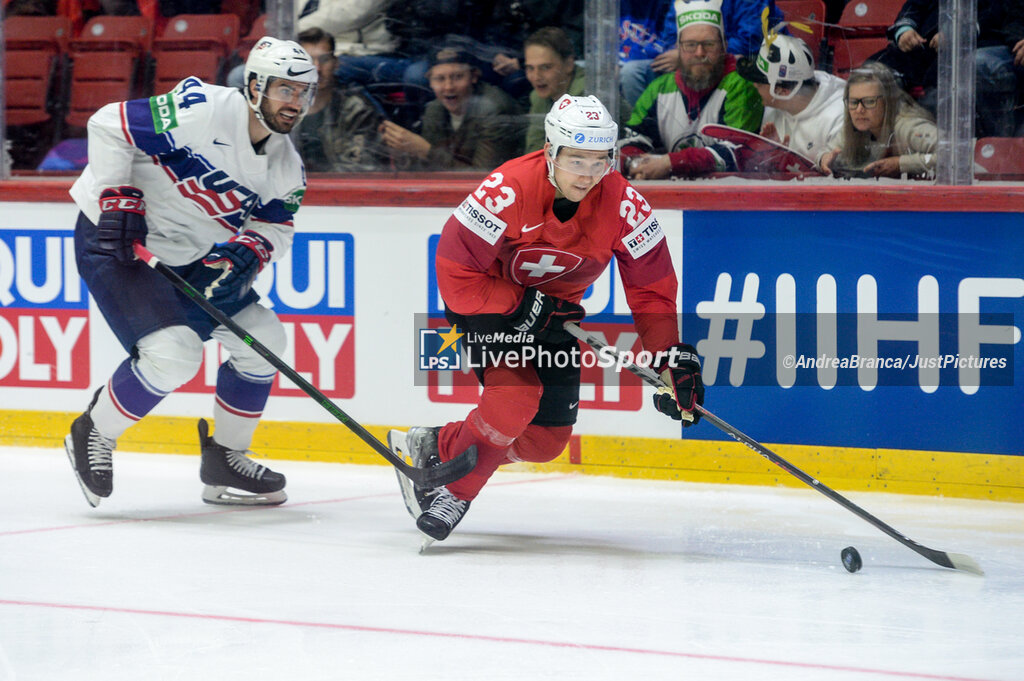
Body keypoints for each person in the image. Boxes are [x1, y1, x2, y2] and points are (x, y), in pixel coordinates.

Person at [394, 94, 706, 542]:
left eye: (600, 161)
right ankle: (456, 492)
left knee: (545, 441)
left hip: (555, 318)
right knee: (515, 399)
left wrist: (667, 360)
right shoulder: (507, 188)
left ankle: (439, 445)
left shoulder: (625, 205)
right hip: (489, 306)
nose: (588, 174)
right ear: (550, 151)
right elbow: (455, 273)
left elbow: (651, 288)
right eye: (576, 159)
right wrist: (522, 306)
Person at [64, 37, 317, 508]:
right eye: (286, 90)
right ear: (256, 86)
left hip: (188, 256)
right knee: (174, 355)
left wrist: (250, 249)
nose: (295, 103)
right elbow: (107, 123)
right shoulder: (203, 109)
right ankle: (94, 431)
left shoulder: (285, 167)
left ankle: (225, 456)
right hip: (119, 240)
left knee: (264, 340)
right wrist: (119, 194)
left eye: (304, 92)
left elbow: (276, 226)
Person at [620, 0, 764, 180]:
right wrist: (634, 163)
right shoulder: (659, 88)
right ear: (677, 49)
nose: (699, 53)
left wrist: (671, 163)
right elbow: (632, 140)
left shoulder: (741, 86)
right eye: (690, 45)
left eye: (709, 44)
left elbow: (736, 152)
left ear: (724, 47)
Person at [378, 46, 521, 171]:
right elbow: (432, 168)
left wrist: (425, 151)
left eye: (457, 77)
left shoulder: (494, 109)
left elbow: (484, 179)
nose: (448, 87)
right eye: (440, 79)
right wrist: (402, 150)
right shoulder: (435, 109)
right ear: (430, 82)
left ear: (474, 77)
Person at [620, 0, 784, 108]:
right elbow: (670, 37)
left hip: (743, 62)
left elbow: (749, 41)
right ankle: (650, 133)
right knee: (633, 72)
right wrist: (682, 52)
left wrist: (696, 52)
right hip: (692, 58)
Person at [736, 32, 845, 171]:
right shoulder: (774, 105)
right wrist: (771, 162)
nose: (754, 85)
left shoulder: (839, 117)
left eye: (760, 83)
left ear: (783, 91)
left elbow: (837, 177)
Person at [293, 26, 388, 172]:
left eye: (324, 60)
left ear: (336, 63)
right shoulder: (279, 106)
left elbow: (359, 169)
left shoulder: (356, 108)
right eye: (307, 60)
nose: (316, 68)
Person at [820, 62, 937, 179]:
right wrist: (823, 159)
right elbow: (828, 152)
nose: (859, 110)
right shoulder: (856, 128)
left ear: (888, 102)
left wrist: (901, 164)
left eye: (869, 101)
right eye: (853, 102)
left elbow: (951, 155)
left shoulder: (909, 127)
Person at [522, 27, 586, 153]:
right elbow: (533, 152)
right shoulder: (538, 97)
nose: (536, 77)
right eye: (530, 68)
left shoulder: (587, 96)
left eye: (545, 67)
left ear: (568, 65)